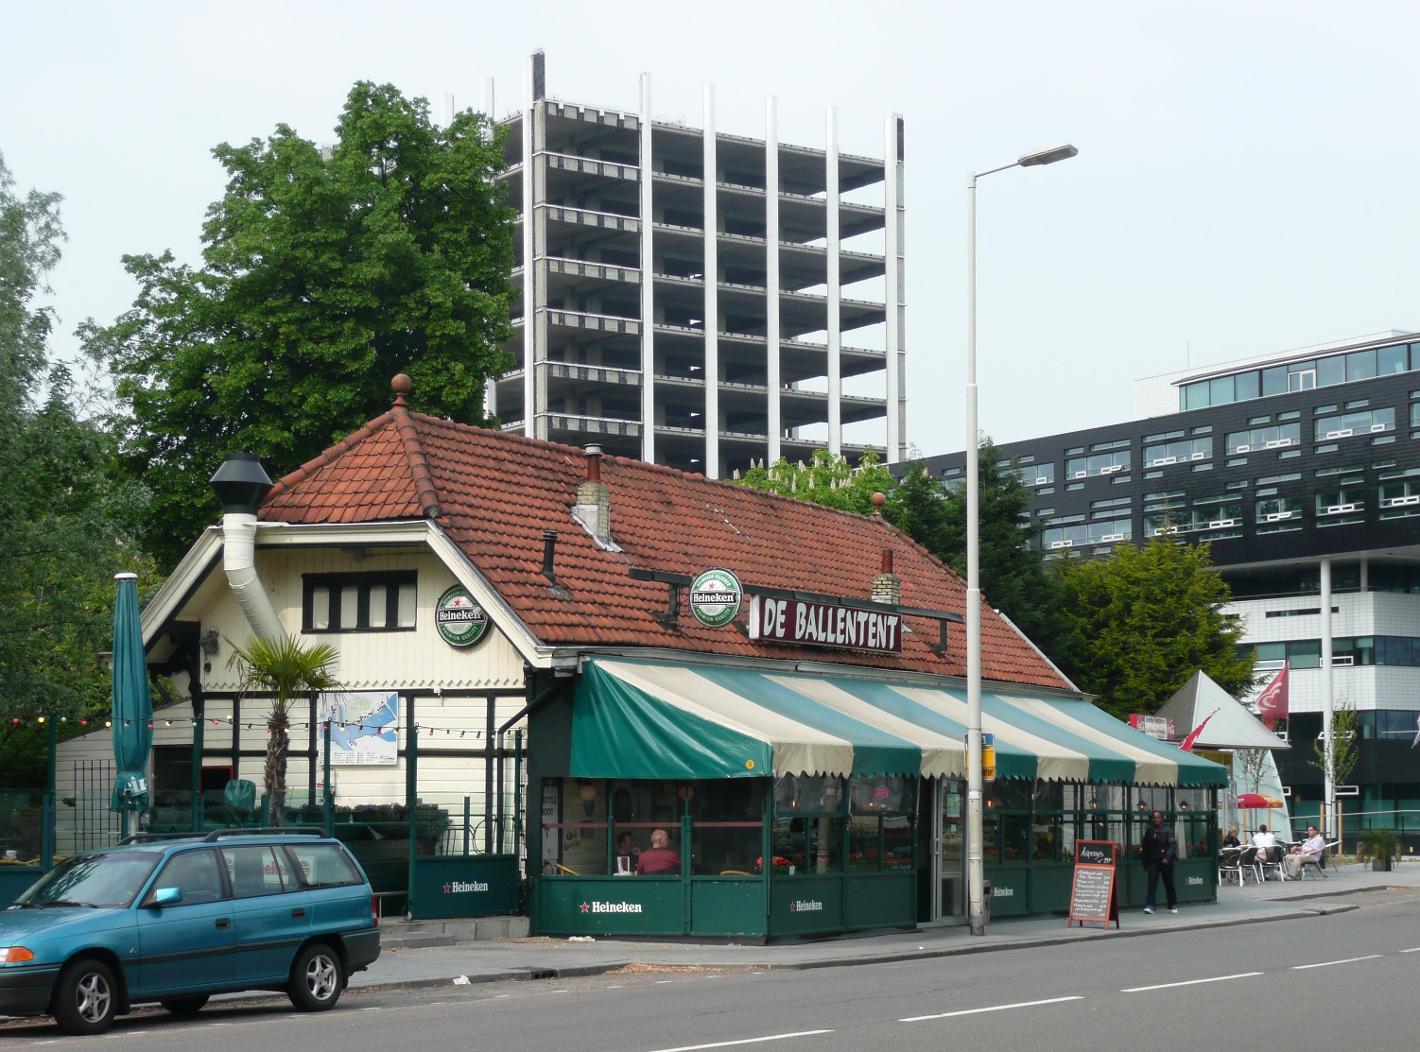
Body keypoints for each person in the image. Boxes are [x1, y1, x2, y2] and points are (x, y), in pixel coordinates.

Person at [1140, 810, 1178, 914]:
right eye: (1154, 818)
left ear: (1162, 818)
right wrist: (1145, 859)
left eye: (1158, 817)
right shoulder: (1149, 830)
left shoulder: (1167, 829)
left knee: (1168, 883)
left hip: (1166, 861)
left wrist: (1167, 857)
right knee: (1152, 883)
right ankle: (1150, 905)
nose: (1156, 819)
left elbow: (1173, 845)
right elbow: (1145, 846)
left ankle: (1172, 904)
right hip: (1153, 860)